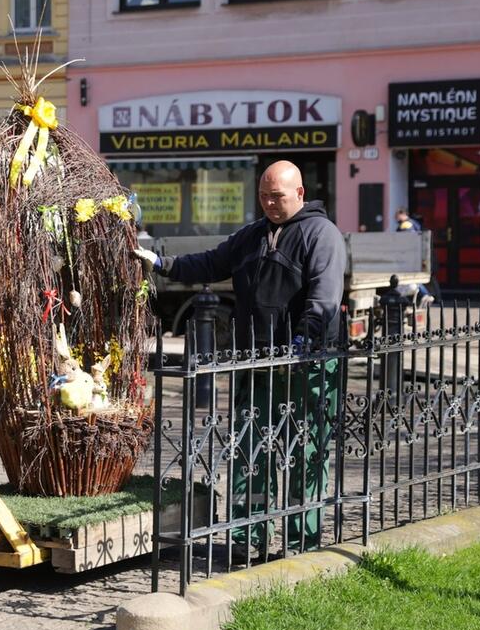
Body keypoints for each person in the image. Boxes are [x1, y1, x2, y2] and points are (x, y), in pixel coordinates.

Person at [132, 160, 346, 558]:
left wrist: (303, 344)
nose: (269, 203)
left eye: (277, 196)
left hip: (306, 365)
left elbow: (324, 297)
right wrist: (162, 264)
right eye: (263, 196)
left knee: (305, 454)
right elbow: (211, 262)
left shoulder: (322, 234)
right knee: (251, 451)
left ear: (300, 193)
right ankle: (249, 537)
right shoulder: (251, 235)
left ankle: (301, 543)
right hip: (255, 361)